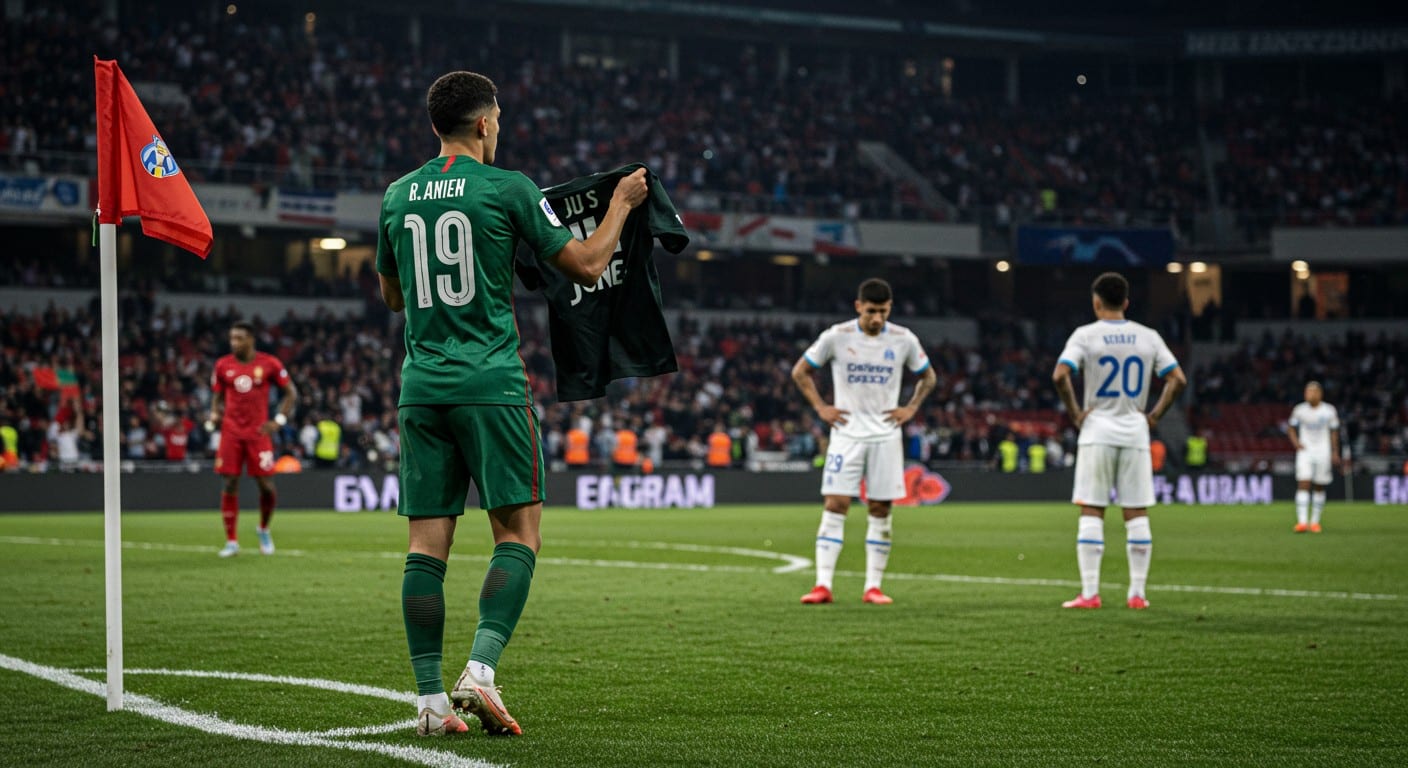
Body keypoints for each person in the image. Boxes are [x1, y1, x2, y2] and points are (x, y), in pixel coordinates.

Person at [375, 70, 648, 737]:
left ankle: (432, 704)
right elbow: (585, 265)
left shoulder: (396, 196)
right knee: (517, 535)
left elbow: (391, 297)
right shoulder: (509, 188)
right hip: (491, 384)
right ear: (484, 123)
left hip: (421, 386)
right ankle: (482, 669)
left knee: (424, 549)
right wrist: (621, 204)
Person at [792, 278, 937, 605]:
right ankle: (823, 585)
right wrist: (820, 408)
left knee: (880, 507)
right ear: (858, 306)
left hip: (886, 435)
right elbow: (800, 371)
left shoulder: (903, 339)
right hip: (846, 433)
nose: (876, 319)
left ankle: (873, 587)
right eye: (871, 311)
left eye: (883, 312)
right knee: (835, 504)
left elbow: (929, 376)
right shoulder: (837, 336)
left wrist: (911, 408)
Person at [1052, 272, 1186, 610]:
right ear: (1126, 302)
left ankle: (1090, 593)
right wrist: (1153, 416)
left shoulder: (1085, 335)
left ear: (1096, 302)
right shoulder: (1148, 337)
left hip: (1097, 429)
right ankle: (1137, 594)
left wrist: (1075, 412)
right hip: (1134, 430)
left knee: (1092, 509)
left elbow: (1060, 374)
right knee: (1136, 511)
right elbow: (1177, 379)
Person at [208, 320, 297, 558]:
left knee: (267, 487)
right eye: (232, 338)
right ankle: (231, 541)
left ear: (251, 340)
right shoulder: (222, 365)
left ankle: (264, 529)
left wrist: (278, 420)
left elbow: (291, 393)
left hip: (259, 434)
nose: (234, 343)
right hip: (231, 432)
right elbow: (216, 396)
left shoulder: (269, 363)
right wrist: (215, 412)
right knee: (229, 483)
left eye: (239, 338)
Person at [1288, 381, 1340, 533]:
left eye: (1312, 392)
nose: (1309, 394)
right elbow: (1290, 428)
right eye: (1307, 391)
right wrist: (1296, 443)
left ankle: (1315, 522)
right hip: (1305, 451)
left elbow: (1334, 431)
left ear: (1319, 393)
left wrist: (1335, 452)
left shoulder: (1329, 410)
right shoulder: (1299, 410)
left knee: (1319, 485)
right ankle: (1302, 522)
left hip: (1323, 451)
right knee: (1303, 482)